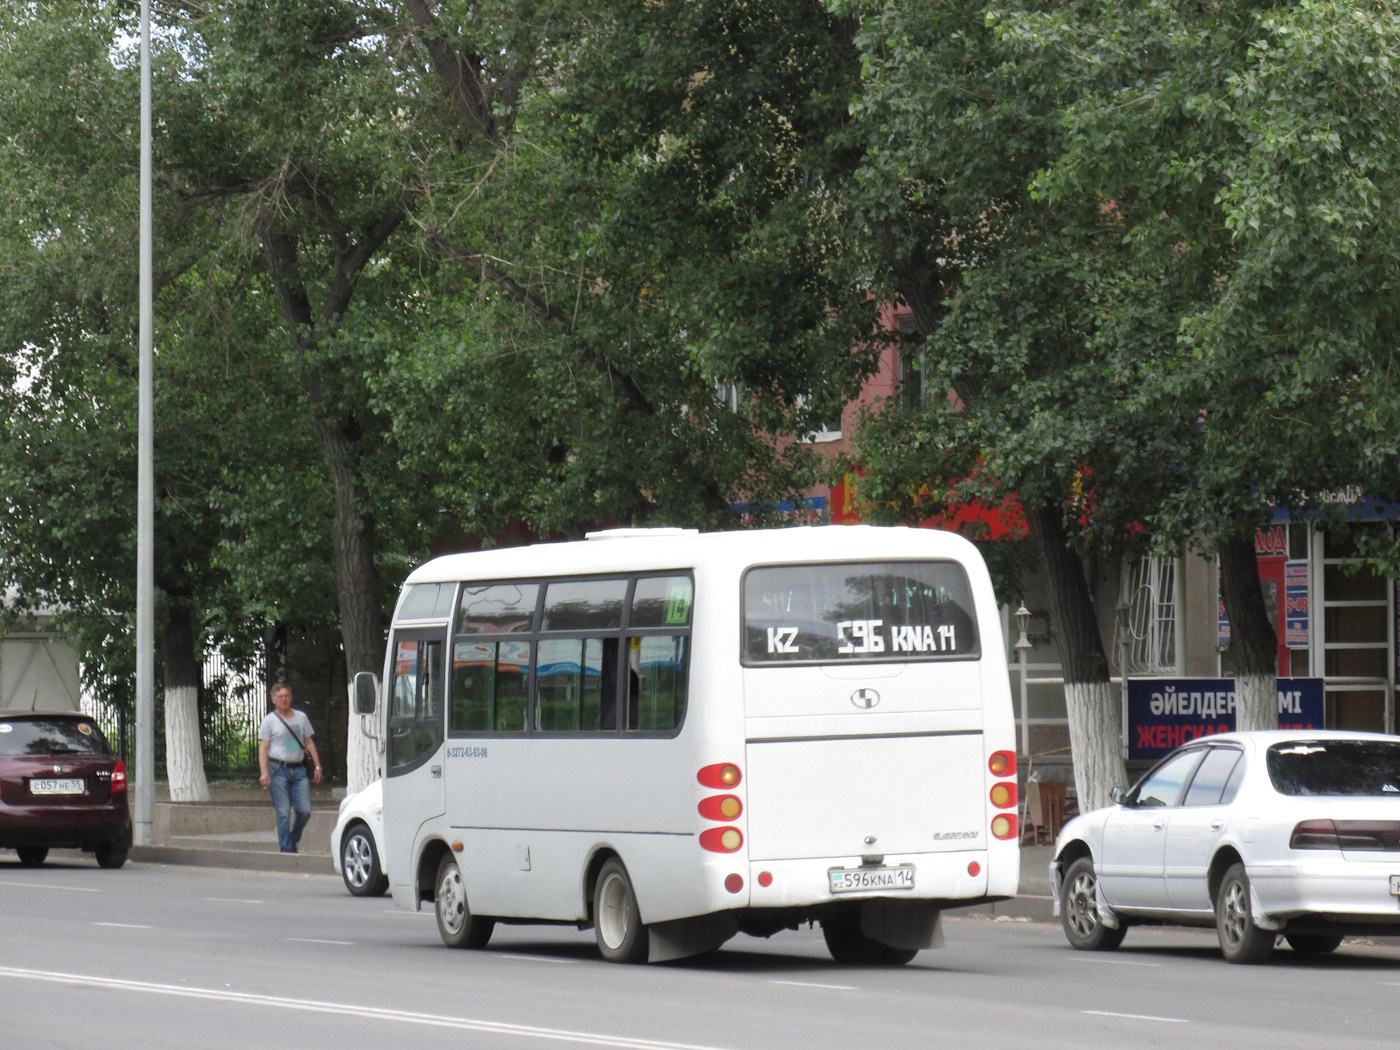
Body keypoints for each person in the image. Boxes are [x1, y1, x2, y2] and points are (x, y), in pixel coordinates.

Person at [257, 683, 323, 853]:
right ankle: (287, 850)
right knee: (283, 812)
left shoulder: (301, 717)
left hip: (299, 770)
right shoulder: (269, 720)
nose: (284, 699)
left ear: (291, 698)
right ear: (273, 700)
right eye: (280, 697)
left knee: (305, 811)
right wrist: (264, 772)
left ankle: (291, 841)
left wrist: (317, 766)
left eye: (286, 696)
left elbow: (309, 742)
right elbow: (264, 748)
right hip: (277, 769)